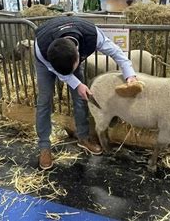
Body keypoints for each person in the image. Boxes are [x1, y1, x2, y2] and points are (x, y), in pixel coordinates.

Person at [34, 17, 137, 170]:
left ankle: (83, 137)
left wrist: (130, 75)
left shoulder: (92, 36)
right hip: (46, 64)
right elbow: (61, 73)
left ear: (78, 54)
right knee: (44, 100)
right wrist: (76, 83)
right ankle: (44, 146)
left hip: (69, 59)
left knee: (81, 98)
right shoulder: (41, 48)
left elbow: (117, 53)